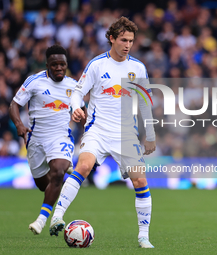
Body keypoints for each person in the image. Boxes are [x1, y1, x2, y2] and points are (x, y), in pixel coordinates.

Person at [49, 17, 156, 248]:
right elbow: (78, 92)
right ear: (111, 39)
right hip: (97, 130)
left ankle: (143, 236)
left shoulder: (137, 68)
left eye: (131, 41)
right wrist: (76, 108)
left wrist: (151, 134)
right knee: (83, 167)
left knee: (140, 180)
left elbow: (146, 102)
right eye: (123, 40)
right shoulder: (97, 65)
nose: (128, 45)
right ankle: (57, 216)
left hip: (126, 134)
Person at [9, 44, 84, 235]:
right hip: (35, 141)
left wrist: (81, 119)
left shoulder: (73, 86)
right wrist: (19, 124)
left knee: (58, 172)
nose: (59, 68)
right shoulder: (34, 81)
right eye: (54, 64)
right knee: (46, 185)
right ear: (47, 65)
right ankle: (62, 169)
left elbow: (82, 111)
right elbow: (14, 105)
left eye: (62, 64)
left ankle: (43, 220)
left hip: (60, 136)